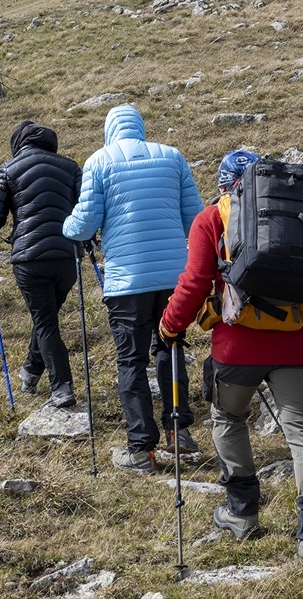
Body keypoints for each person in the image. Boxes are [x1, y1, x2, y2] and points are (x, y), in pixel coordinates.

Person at [159, 150, 303, 578]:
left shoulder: (211, 218)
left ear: (225, 185)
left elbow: (195, 281)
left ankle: (241, 513)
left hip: (236, 346)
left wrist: (169, 325)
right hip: (296, 344)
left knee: (228, 418)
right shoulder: (298, 212)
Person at [62, 104, 203, 472]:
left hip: (127, 282)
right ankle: (179, 428)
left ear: (110, 131)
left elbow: (84, 224)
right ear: (140, 127)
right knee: (171, 347)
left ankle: (141, 449)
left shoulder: (99, 161)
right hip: (173, 279)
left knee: (131, 360)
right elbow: (195, 219)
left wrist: (67, 227)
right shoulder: (172, 157)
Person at [0, 121, 81, 409]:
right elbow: (84, 208)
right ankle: (31, 371)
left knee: (45, 322)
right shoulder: (71, 167)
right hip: (67, 256)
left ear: (18, 142)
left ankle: (62, 387)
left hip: (30, 258)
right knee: (46, 318)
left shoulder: (10, 168)